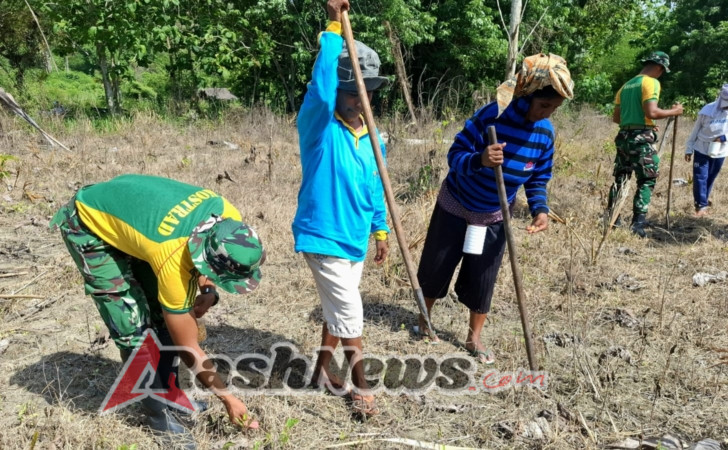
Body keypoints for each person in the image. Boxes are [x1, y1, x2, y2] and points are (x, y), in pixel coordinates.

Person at [50, 174, 264, 447]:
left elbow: (205, 261)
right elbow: (188, 347)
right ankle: (158, 418)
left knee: (162, 317)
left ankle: (170, 394)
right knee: (134, 330)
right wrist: (229, 399)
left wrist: (209, 291)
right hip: (88, 225)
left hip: (137, 221)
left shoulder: (227, 214)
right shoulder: (172, 257)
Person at [415, 54, 574, 364]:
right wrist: (481, 159)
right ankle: (424, 319)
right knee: (437, 264)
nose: (546, 114)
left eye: (553, 109)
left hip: (493, 214)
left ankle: (474, 337)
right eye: (543, 106)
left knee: (483, 274)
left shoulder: (545, 133)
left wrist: (540, 209)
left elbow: (539, 176)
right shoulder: (492, 116)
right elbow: (455, 154)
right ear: (526, 95)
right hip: (457, 203)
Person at [292, 0, 389, 417]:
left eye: (364, 93)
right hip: (322, 235)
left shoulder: (374, 138)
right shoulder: (318, 126)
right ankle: (362, 387)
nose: (357, 100)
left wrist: (380, 229)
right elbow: (321, 84)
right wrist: (333, 26)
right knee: (351, 312)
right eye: (351, 92)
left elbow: (376, 188)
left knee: (338, 310)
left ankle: (318, 371)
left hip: (354, 238)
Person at [607, 51, 684, 237]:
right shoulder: (651, 82)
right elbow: (653, 112)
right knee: (647, 179)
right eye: (662, 71)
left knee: (622, 177)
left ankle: (612, 218)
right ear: (659, 67)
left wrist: (644, 124)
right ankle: (638, 225)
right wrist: (675, 111)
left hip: (624, 136)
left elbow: (617, 117)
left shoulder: (626, 86)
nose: (661, 74)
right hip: (641, 139)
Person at [684, 84, 728, 217]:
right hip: (701, 148)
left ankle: (704, 200)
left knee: (710, 177)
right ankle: (700, 206)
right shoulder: (707, 110)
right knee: (700, 177)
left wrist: (723, 138)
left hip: (720, 151)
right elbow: (695, 130)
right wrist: (689, 148)